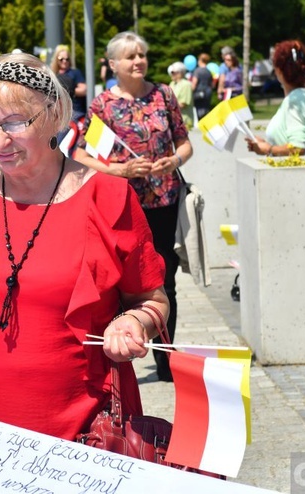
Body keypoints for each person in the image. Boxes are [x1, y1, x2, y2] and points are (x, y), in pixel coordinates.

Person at [0, 52, 168, 440]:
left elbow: (152, 299)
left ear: (54, 115)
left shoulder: (110, 197)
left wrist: (133, 322)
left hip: (88, 435)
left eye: (15, 123)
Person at [74, 32, 192, 383]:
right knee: (123, 282)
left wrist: (173, 160)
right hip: (120, 203)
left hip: (163, 200)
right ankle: (121, 352)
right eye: (130, 57)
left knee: (164, 279)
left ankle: (165, 361)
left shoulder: (164, 95)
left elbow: (184, 142)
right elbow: (82, 155)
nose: (138, 61)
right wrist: (120, 170)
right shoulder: (103, 106)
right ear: (113, 64)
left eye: (142, 54)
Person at [246, 40, 305, 157]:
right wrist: (265, 145)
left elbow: (298, 147)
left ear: (279, 70)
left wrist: (268, 149)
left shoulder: (296, 100)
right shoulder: (304, 95)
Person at [50, 45, 87, 120]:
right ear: (56, 60)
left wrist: (66, 90)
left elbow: (84, 90)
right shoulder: (52, 74)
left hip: (75, 111)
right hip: (58, 112)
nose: (64, 61)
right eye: (61, 59)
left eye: (67, 59)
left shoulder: (75, 72)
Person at [168, 61, 193, 128]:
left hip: (184, 122)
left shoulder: (186, 85)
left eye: (173, 72)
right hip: (173, 121)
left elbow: (183, 104)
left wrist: (167, 107)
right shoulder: (172, 84)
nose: (171, 74)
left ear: (180, 73)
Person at [191, 53, 214, 119]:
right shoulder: (208, 71)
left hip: (198, 94)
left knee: (198, 113)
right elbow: (211, 84)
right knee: (206, 112)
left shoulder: (197, 71)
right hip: (207, 93)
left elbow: (194, 84)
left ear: (200, 60)